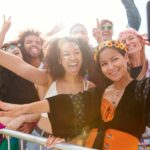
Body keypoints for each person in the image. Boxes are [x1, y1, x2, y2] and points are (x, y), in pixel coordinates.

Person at [2, 40, 150, 150]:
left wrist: (65, 139)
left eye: (76, 52)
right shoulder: (50, 79)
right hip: (42, 141)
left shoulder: (94, 88)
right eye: (66, 54)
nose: (110, 67)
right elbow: (65, 103)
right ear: (59, 59)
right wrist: (22, 111)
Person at [0, 41, 40, 150]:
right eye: (8, 53)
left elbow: (46, 109)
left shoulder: (36, 78)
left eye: (16, 51)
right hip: (5, 131)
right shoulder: (1, 79)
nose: (12, 50)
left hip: (25, 133)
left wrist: (27, 120)